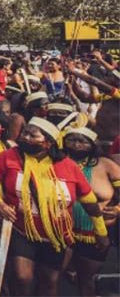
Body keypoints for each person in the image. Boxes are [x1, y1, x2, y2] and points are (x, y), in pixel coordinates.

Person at [0, 118, 110, 296]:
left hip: (56, 237)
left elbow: (90, 203)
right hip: (21, 230)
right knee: (22, 277)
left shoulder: (69, 167)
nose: (25, 137)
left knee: (49, 281)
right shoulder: (10, 156)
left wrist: (101, 232)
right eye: (25, 132)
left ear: (48, 142)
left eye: (32, 135)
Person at [61, 127, 120, 297]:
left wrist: (117, 209)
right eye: (72, 139)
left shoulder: (106, 165)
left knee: (86, 281)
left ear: (93, 145)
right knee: (51, 278)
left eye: (83, 141)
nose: (77, 144)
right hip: (62, 232)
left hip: (95, 236)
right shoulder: (56, 162)